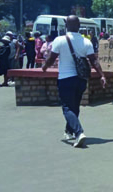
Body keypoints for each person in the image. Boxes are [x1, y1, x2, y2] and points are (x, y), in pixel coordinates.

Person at [42, 15, 107, 148]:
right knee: (75, 106)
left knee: (67, 107)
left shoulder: (59, 40)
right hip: (81, 79)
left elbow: (51, 58)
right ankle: (69, 130)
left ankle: (78, 132)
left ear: (66, 26)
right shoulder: (86, 42)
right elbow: (94, 61)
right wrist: (102, 75)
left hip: (65, 79)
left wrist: (45, 67)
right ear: (78, 26)